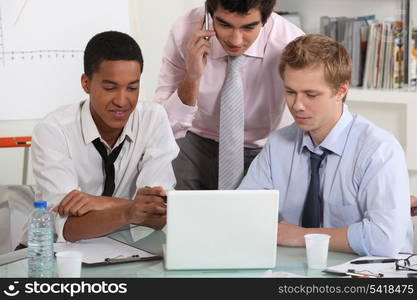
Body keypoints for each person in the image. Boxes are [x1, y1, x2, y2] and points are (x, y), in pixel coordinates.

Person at [239, 34, 413, 257]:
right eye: (290, 92)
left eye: (311, 94)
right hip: (296, 270)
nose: (297, 105)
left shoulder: (379, 150)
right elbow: (244, 213)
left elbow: (384, 240)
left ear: (341, 91)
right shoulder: (278, 144)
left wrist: (302, 235)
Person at [22, 31, 178, 245]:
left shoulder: (153, 119)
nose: (122, 101)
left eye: (132, 87)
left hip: (125, 248)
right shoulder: (53, 130)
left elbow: (158, 213)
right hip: (50, 252)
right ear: (86, 83)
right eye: (110, 88)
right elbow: (68, 228)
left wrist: (97, 202)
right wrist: (129, 211)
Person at [155, 0, 303, 190]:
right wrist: (192, 76)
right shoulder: (184, 32)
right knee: (180, 215)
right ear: (209, 14)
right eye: (224, 24)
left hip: (260, 149)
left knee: (252, 217)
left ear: (267, 18)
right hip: (192, 141)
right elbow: (164, 127)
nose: (236, 40)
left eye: (249, 27)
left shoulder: (290, 43)